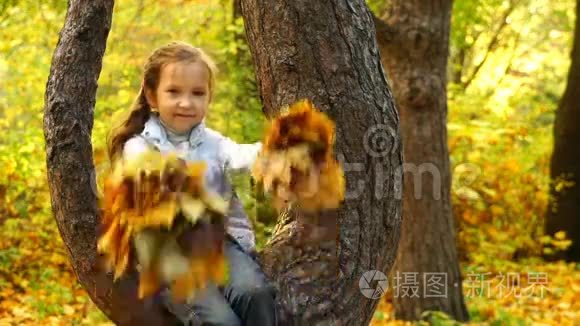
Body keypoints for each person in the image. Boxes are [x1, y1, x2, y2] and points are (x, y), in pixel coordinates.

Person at [106, 41, 277, 326]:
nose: (186, 102)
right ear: (152, 96)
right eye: (174, 92)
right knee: (222, 321)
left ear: (208, 98)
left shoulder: (214, 143)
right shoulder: (138, 146)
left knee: (256, 294)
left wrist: (277, 150)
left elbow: (243, 156)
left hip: (218, 246)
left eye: (197, 93)